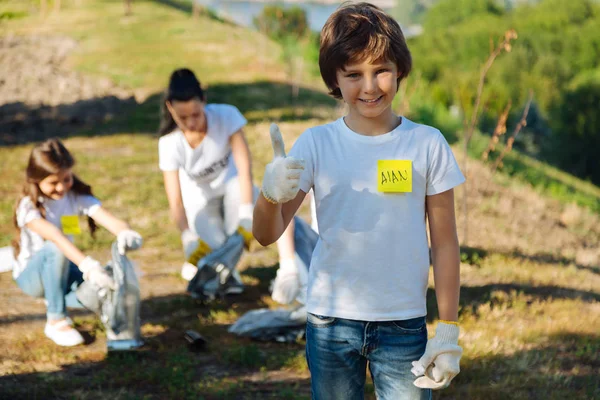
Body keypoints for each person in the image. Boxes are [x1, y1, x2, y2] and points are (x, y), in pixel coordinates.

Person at [253, 3, 465, 399]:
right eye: (353, 75)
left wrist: (448, 330)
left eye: (380, 70)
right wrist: (268, 195)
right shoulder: (316, 144)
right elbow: (266, 235)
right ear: (334, 79)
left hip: (404, 325)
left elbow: (446, 242)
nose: (369, 87)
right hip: (330, 323)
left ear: (399, 68)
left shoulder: (427, 144)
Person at [158, 68, 308, 302]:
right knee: (220, 246)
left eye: (196, 114)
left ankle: (289, 269)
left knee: (270, 203)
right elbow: (175, 200)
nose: (191, 123)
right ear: (170, 108)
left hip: (234, 189)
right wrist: (186, 234)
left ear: (204, 101)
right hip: (200, 203)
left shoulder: (226, 116)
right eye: (182, 118)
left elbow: (244, 165)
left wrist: (247, 208)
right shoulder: (169, 143)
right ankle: (228, 275)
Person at [12, 138, 143, 347]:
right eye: (53, 183)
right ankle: (55, 319)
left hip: (66, 268)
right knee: (55, 249)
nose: (61, 187)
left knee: (105, 283)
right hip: (32, 277)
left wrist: (125, 232)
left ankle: (116, 323)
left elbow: (104, 216)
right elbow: (55, 237)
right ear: (36, 180)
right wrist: (87, 266)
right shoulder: (29, 208)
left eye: (66, 179)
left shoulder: (74, 197)